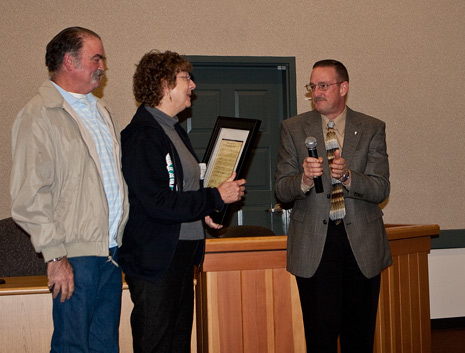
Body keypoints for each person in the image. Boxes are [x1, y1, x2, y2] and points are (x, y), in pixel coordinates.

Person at [10, 27, 129, 352]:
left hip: (109, 254)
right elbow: (28, 196)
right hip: (74, 256)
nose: (102, 65)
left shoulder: (101, 112)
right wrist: (56, 256)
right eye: (96, 58)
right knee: (72, 346)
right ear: (68, 61)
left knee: (105, 346)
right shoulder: (39, 115)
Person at [119, 50, 246, 353]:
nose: (193, 85)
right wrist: (215, 196)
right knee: (156, 345)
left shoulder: (172, 128)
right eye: (186, 78)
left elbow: (180, 189)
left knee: (177, 345)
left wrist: (204, 211)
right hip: (156, 260)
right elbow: (156, 202)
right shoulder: (142, 135)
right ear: (164, 84)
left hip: (180, 256)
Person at [274, 59, 391, 353]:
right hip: (315, 246)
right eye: (312, 87)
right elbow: (281, 189)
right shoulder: (293, 128)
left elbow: (381, 188)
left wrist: (350, 176)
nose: (316, 93)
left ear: (343, 87)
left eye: (323, 86)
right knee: (320, 338)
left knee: (359, 337)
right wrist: (302, 179)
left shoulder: (372, 128)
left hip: (360, 246)